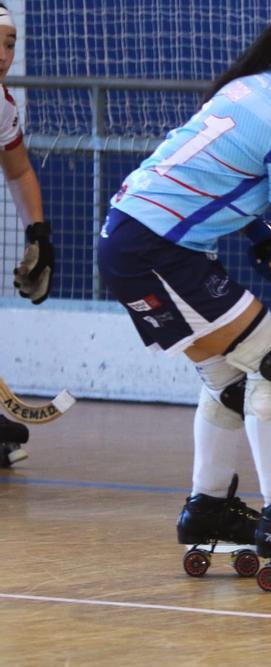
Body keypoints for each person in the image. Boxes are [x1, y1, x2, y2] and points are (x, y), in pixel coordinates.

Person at [96, 7, 271, 579]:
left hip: (134, 238)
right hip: (158, 250)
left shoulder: (252, 88)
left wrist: (257, 232)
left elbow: (214, 171)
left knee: (229, 376)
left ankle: (209, 509)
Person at [2, 3, 52, 468]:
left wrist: (39, 233)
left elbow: (17, 171)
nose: (3, 53)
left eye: (10, 43)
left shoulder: (2, 104)